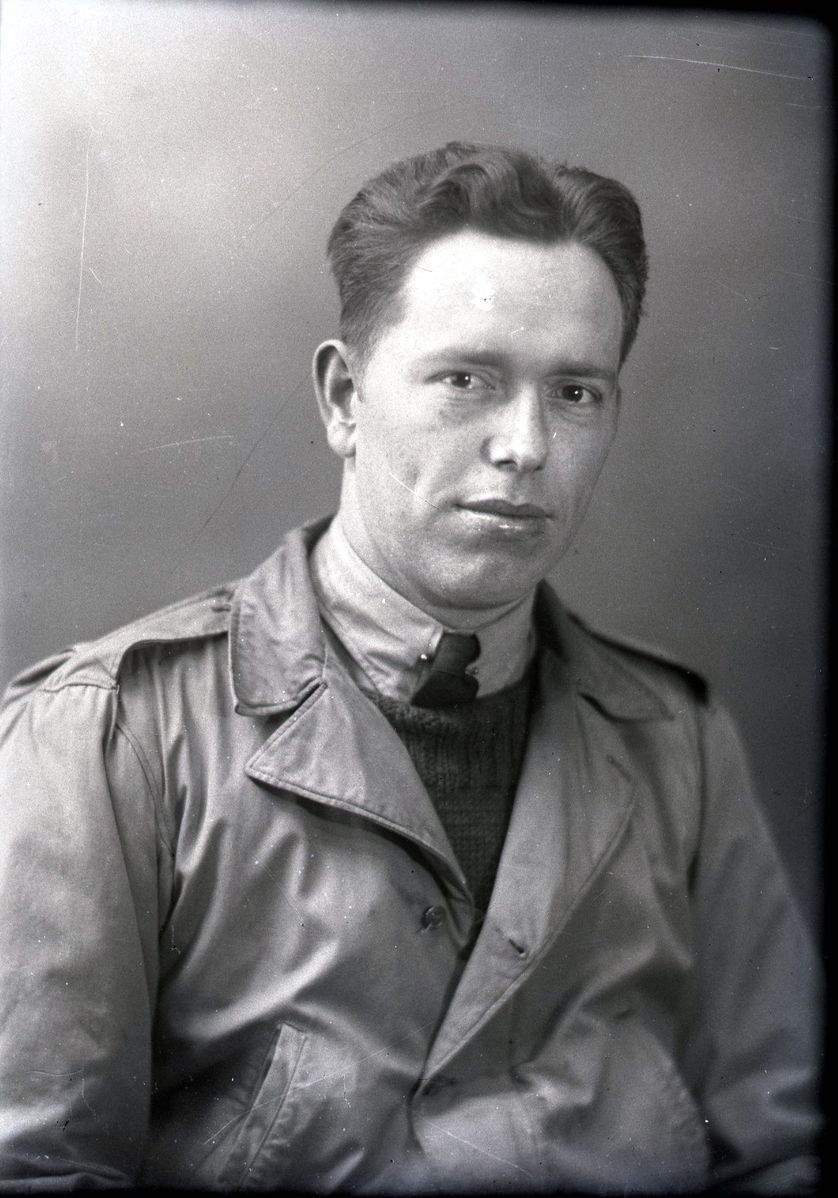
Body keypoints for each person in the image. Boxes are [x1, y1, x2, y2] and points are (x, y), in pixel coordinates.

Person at [0, 142, 821, 1193]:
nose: (526, 445)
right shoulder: (112, 734)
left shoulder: (676, 742)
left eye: (576, 392)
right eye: (467, 379)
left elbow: (783, 1150)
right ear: (344, 398)